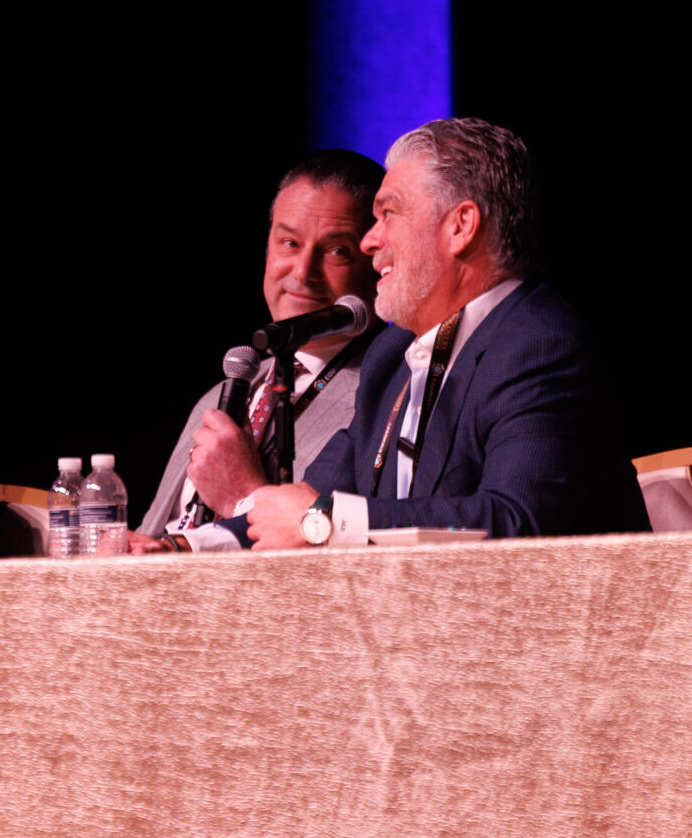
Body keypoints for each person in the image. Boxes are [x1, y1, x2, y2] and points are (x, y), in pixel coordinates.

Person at [241, 119, 650, 545]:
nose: (369, 241)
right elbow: (303, 502)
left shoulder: (540, 346)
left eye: (388, 213)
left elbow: (517, 521)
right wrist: (200, 542)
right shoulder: (390, 355)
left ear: (461, 226)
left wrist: (325, 522)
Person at [129, 150, 386, 553]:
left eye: (337, 251)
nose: (303, 272)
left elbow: (347, 557)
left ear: (378, 263)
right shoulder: (226, 392)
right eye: (290, 243)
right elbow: (152, 531)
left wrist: (244, 495)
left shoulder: (383, 397)